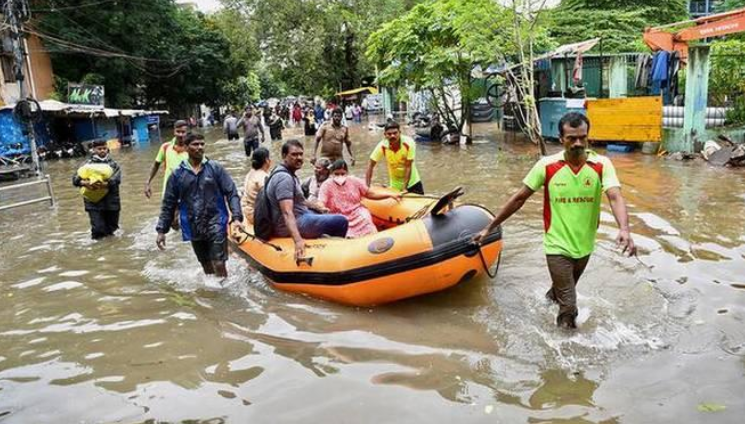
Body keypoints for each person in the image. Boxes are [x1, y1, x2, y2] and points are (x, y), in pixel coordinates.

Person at [474, 112, 636, 329]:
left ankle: (544, 303)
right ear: (561, 139)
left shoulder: (601, 165)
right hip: (556, 247)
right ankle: (564, 353)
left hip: (585, 246)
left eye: (582, 137)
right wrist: (489, 228)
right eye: (571, 138)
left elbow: (615, 196)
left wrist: (624, 229)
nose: (578, 143)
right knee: (569, 306)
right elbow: (519, 198)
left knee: (561, 292)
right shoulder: (547, 166)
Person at [156, 133, 244, 279]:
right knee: (206, 265)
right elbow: (168, 204)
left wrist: (236, 217)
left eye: (202, 144)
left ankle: (224, 295)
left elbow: (231, 192)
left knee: (219, 263)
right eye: (195, 144)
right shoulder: (177, 175)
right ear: (185, 147)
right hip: (192, 223)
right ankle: (213, 294)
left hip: (216, 221)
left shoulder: (215, 169)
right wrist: (161, 230)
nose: (200, 147)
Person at [265, 139, 348, 261]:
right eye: (294, 154)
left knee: (324, 213)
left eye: (300, 154)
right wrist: (298, 241)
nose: (299, 158)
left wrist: (316, 207)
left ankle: (325, 242)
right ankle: (334, 256)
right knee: (341, 221)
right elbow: (287, 212)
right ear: (284, 156)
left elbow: (300, 201)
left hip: (301, 215)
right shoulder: (284, 179)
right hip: (290, 223)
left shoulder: (287, 173)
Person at [319, 159, 401, 238]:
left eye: (342, 173)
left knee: (366, 219)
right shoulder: (326, 185)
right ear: (332, 173)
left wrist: (389, 195)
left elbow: (370, 194)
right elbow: (321, 201)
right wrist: (322, 207)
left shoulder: (355, 181)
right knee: (341, 228)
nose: (340, 176)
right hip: (338, 215)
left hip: (357, 212)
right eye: (336, 174)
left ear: (347, 173)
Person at [73, 140, 121, 239]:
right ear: (94, 150)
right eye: (99, 149)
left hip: (111, 200)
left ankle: (110, 249)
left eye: (104, 148)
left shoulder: (114, 164)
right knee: (98, 228)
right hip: (93, 201)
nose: (102, 151)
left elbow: (117, 179)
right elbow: (75, 179)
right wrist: (84, 183)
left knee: (112, 227)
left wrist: (105, 184)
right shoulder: (86, 165)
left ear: (107, 149)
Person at [366, 121, 424, 194]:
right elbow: (370, 165)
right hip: (395, 184)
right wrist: (367, 187)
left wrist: (404, 188)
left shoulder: (409, 143)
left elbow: (408, 166)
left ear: (400, 132)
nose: (392, 136)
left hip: (413, 182)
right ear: (385, 135)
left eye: (395, 133)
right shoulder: (382, 146)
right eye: (389, 134)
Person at [144, 120, 189, 199]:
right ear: (174, 131)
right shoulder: (165, 147)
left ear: (187, 132)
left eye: (183, 132)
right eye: (178, 131)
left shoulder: (192, 149)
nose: (180, 134)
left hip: (187, 193)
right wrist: (148, 182)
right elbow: (156, 165)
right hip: (169, 192)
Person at [241, 147, 271, 225]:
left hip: (248, 212)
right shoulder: (263, 177)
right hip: (256, 216)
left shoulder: (250, 173)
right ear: (267, 161)